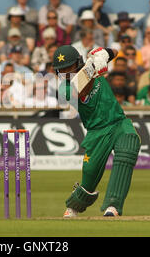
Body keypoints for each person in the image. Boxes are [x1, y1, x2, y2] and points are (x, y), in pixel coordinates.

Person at [52, 45, 141, 218]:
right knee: (89, 179)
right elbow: (82, 91)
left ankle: (113, 206)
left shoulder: (90, 66)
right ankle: (73, 206)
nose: (65, 73)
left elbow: (116, 52)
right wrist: (92, 69)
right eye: (61, 70)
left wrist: (101, 55)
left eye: (68, 68)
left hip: (118, 122)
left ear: (77, 63)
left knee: (129, 144)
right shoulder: (64, 89)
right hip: (96, 132)